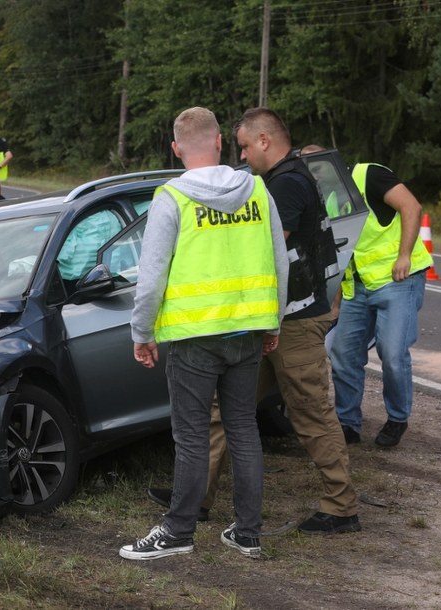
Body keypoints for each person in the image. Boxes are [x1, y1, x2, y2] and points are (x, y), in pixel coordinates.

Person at [119, 107, 288, 562]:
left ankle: (177, 532)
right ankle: (247, 533)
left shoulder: (171, 197)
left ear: (176, 149)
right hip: (248, 330)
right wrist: (273, 321)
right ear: (218, 143)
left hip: (195, 338)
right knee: (244, 429)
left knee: (192, 435)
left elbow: (151, 275)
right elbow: (280, 259)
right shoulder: (257, 187)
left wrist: (142, 331)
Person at [320, 151, 432, 447]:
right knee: (343, 353)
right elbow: (343, 253)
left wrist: (404, 256)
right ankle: (348, 423)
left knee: (392, 353)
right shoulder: (330, 202)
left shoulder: (369, 174)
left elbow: (411, 206)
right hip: (358, 287)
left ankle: (397, 418)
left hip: (398, 279)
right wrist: (335, 304)